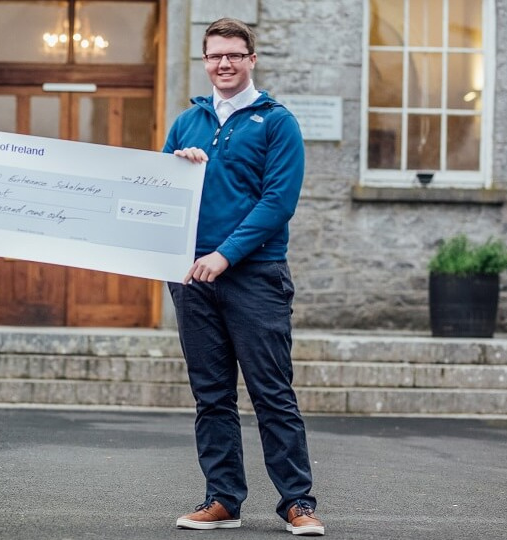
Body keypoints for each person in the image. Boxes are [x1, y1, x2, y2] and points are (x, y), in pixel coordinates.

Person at [164, 18, 324, 536]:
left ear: (252, 60)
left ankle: (298, 502)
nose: (224, 64)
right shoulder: (187, 122)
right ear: (205, 61)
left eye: (234, 54)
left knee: (272, 393)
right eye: (215, 56)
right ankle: (222, 500)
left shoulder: (278, 122)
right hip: (192, 281)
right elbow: (161, 192)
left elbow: (277, 203)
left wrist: (225, 256)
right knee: (211, 396)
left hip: (255, 278)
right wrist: (178, 165)